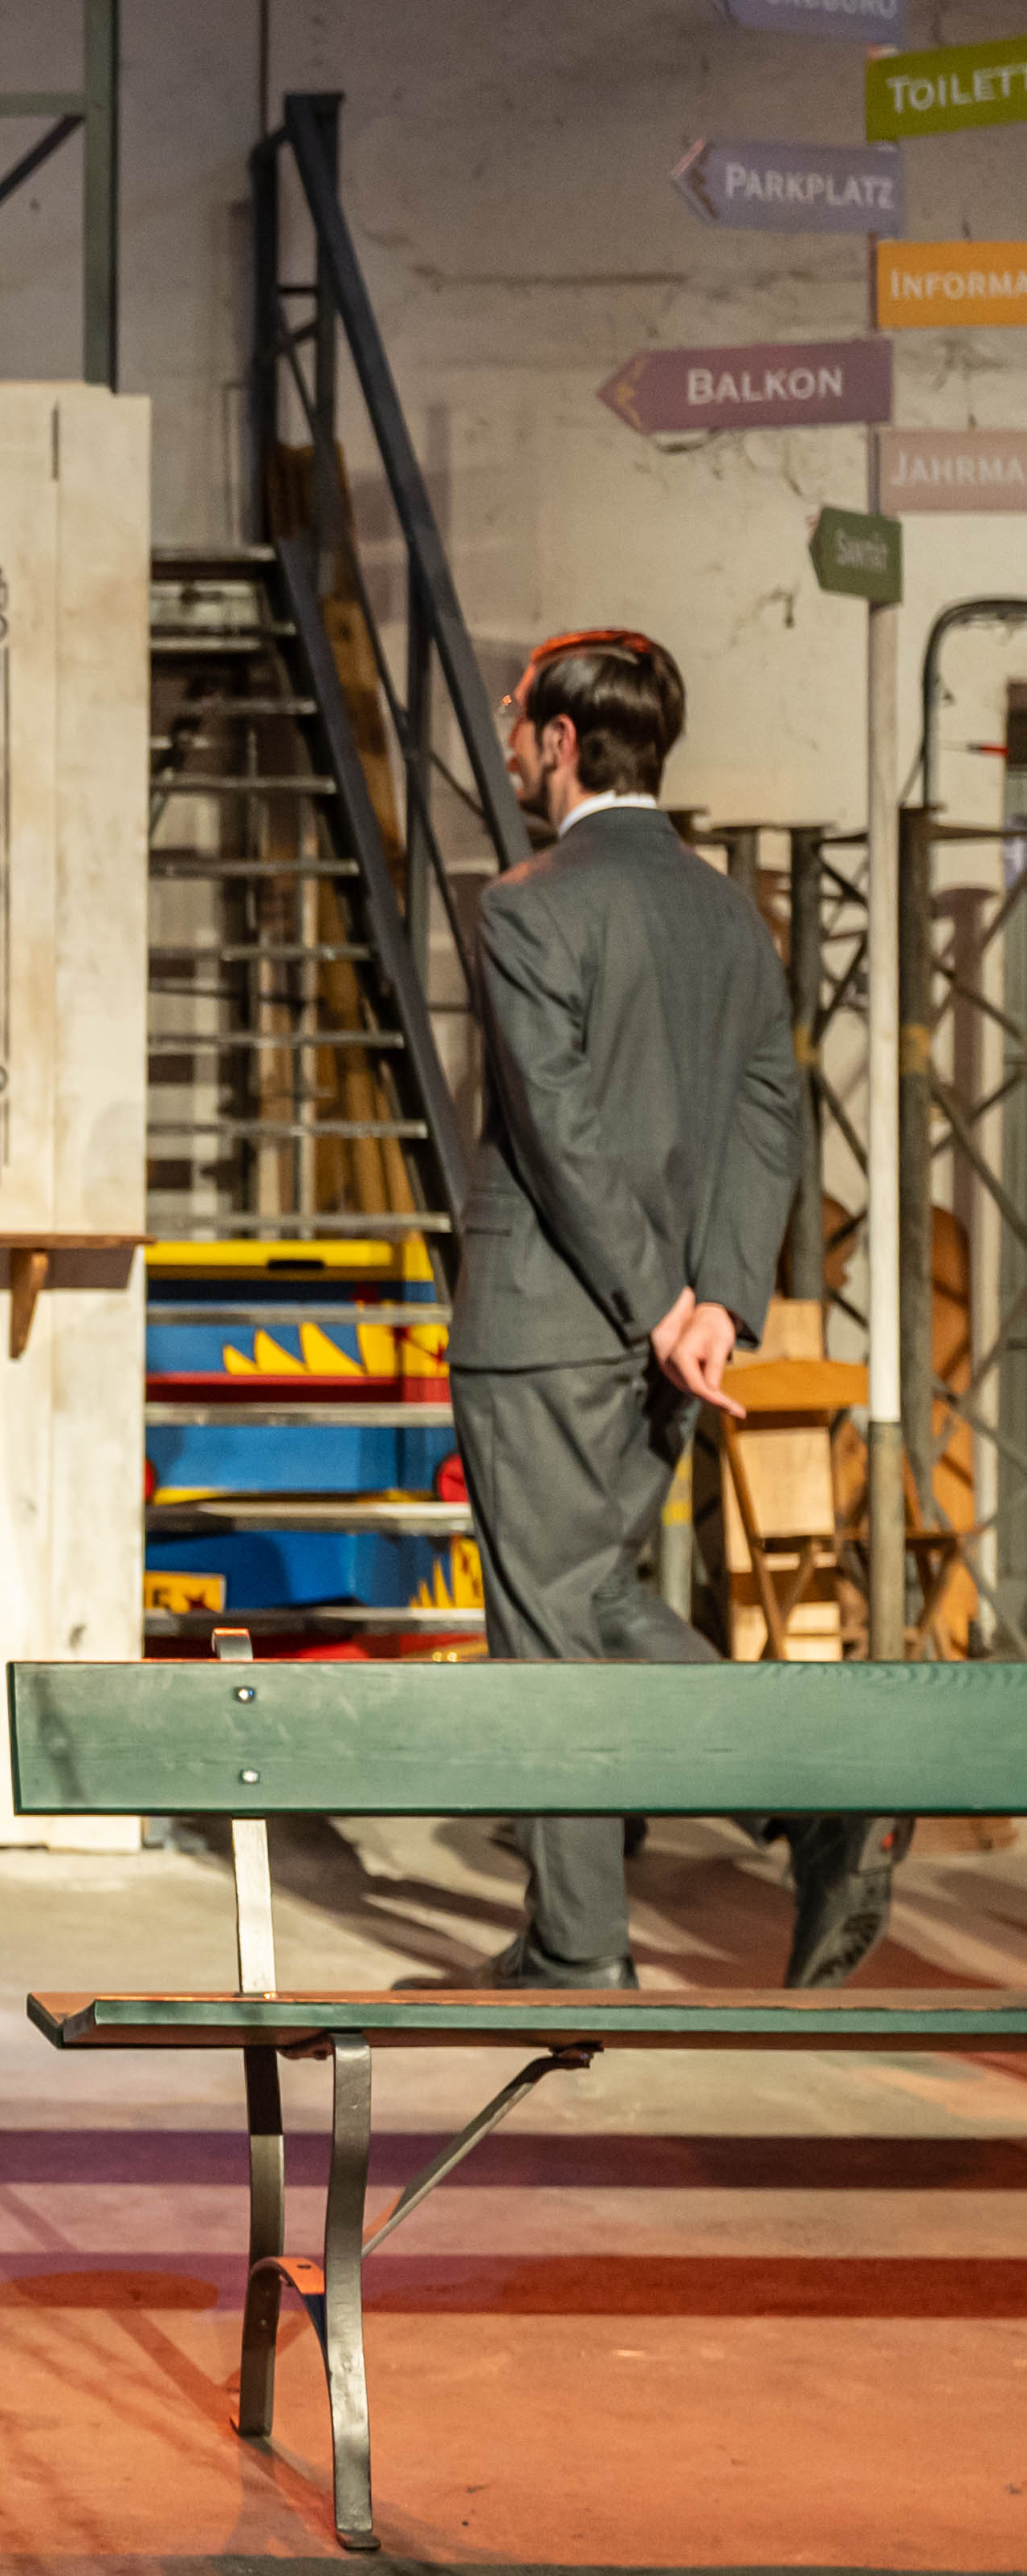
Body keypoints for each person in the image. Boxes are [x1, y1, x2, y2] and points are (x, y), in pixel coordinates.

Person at [455, 627, 894, 1989]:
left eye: (516, 715)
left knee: (547, 1624)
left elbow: (558, 1131)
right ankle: (813, 1802)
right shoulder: (727, 915)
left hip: (552, 1321)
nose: (508, 738)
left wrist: (660, 1305)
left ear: (561, 741)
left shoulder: (527, 905)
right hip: (673, 1336)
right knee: (594, 1595)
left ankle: (580, 1947)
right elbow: (770, 1117)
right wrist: (719, 1304)